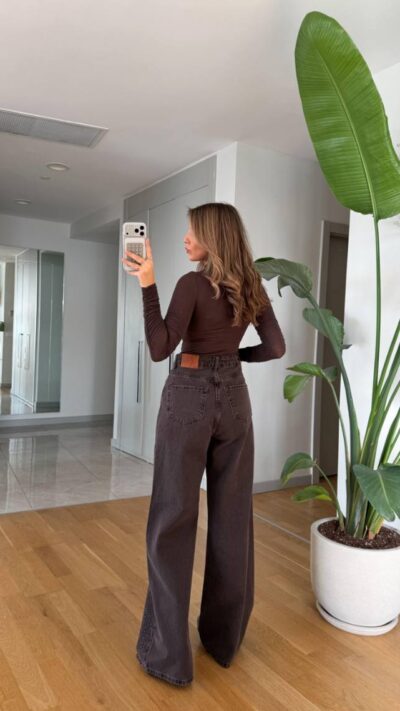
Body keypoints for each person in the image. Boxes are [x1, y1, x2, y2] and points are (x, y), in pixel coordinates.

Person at [121, 202, 286, 687]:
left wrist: (147, 282)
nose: (186, 239)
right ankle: (222, 640)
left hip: (189, 397)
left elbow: (160, 347)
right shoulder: (250, 286)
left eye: (193, 232)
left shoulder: (191, 285)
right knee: (233, 518)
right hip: (235, 400)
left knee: (172, 519)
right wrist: (234, 358)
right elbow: (275, 347)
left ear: (213, 237)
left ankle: (169, 658)